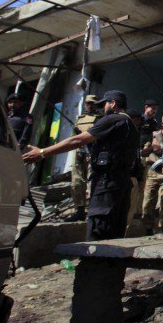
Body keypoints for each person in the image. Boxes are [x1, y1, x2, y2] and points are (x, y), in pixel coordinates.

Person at [23, 90, 138, 241]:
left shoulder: (112, 120)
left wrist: (43, 152)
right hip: (121, 183)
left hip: (107, 183)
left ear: (113, 103)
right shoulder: (131, 124)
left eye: (104, 104)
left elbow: (76, 141)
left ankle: (93, 263)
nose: (102, 108)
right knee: (115, 231)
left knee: (98, 230)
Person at [67, 94, 100, 222]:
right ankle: (79, 210)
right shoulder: (80, 119)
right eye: (88, 103)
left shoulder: (99, 119)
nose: (90, 106)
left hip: (92, 153)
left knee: (92, 182)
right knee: (76, 182)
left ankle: (92, 210)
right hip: (79, 153)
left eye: (92, 103)